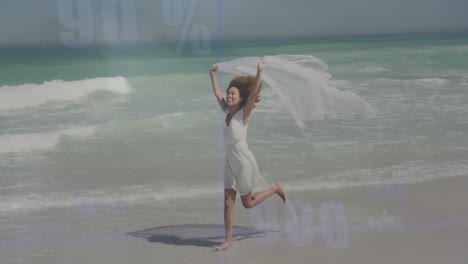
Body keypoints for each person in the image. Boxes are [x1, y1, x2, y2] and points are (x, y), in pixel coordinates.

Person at [209, 58, 286, 251]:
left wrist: (259, 72)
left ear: (240, 98)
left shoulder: (243, 114)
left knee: (248, 203)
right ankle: (228, 240)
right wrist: (211, 74)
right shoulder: (227, 112)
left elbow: (253, 93)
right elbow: (217, 93)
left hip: (243, 162)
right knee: (227, 202)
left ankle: (275, 189)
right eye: (228, 93)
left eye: (232, 93)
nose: (228, 95)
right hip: (229, 162)